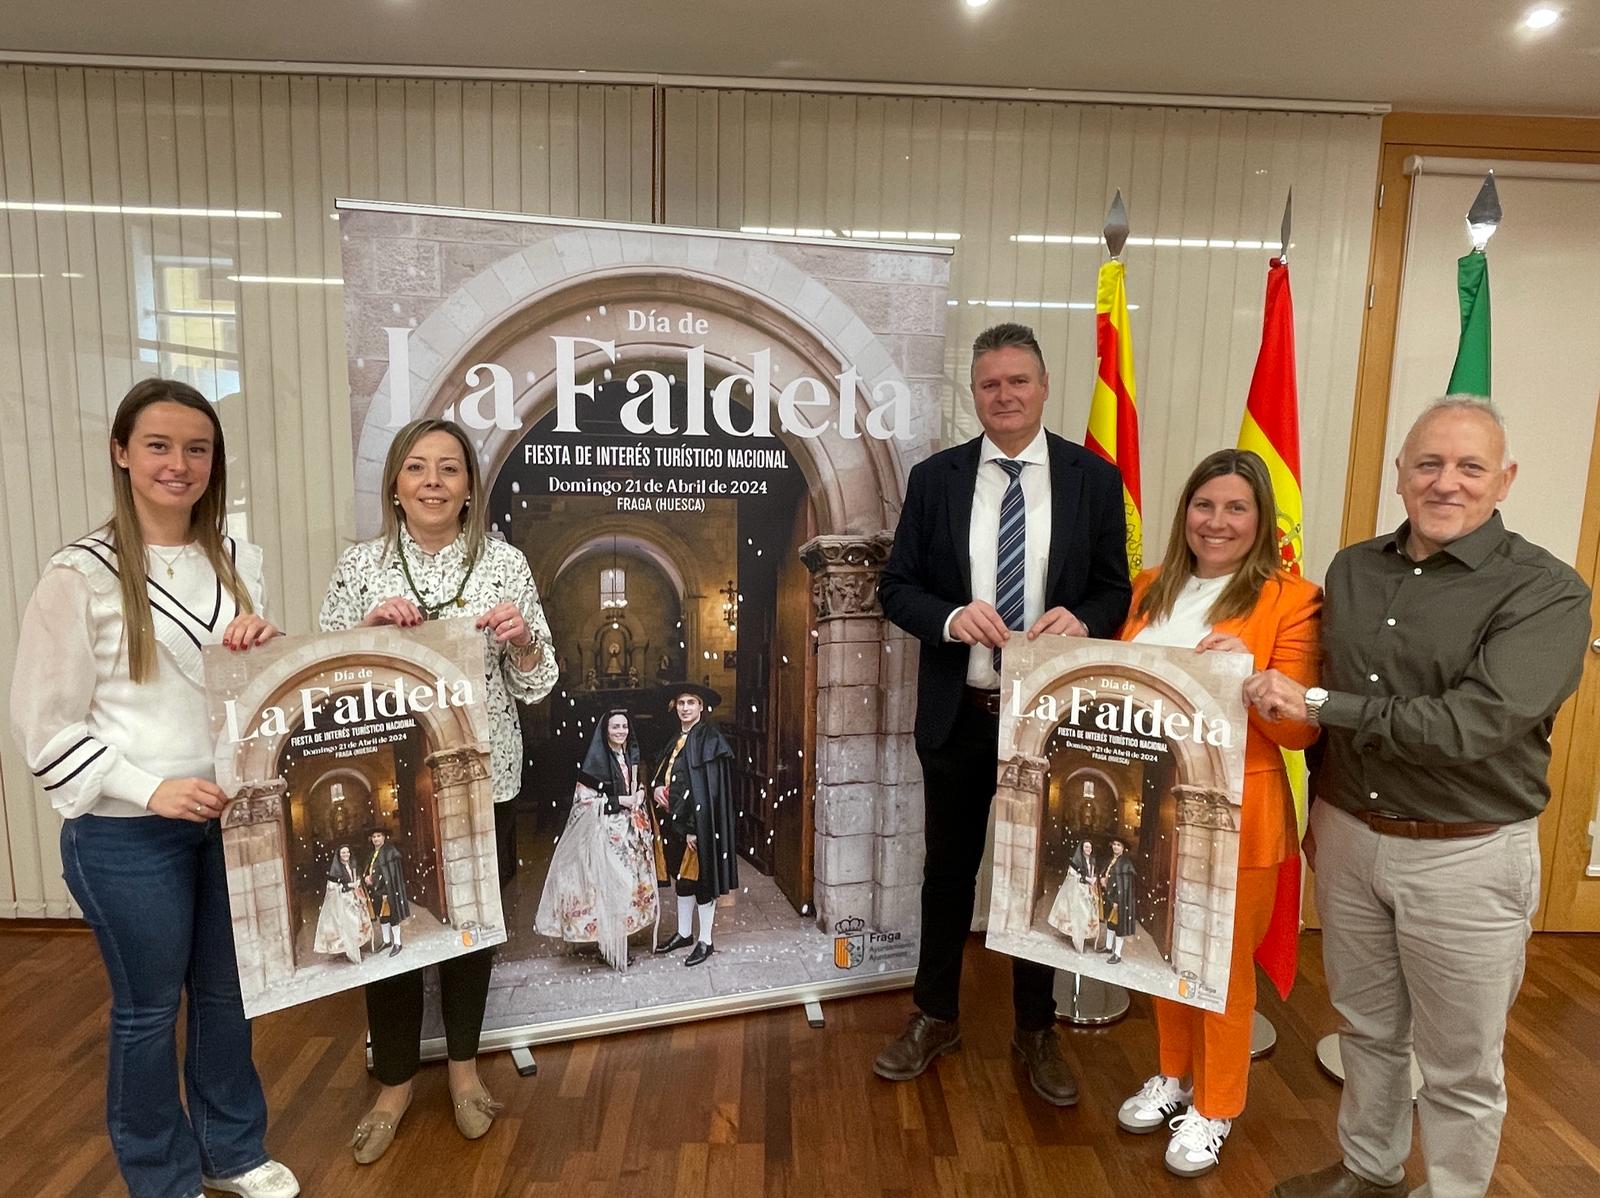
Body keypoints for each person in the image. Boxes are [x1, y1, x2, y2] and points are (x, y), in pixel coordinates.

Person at [1251, 398, 1590, 1198]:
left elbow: (1475, 724)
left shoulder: (1548, 591)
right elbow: (1320, 681)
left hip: (1465, 856)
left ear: (1504, 479)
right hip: (1347, 836)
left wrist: (1323, 708)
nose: (1447, 483)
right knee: (1367, 1030)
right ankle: (1369, 1173)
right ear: (1400, 475)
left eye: (1470, 467)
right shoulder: (1352, 569)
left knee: (1460, 1065)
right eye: (1428, 464)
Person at [10, 378, 300, 1198]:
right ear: (121, 453)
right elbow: (43, 725)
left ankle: (233, 1151)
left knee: (226, 996)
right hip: (125, 830)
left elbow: (245, 697)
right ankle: (160, 1176)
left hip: (231, 817)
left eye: (197, 448)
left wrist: (259, 649)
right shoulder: (80, 573)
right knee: (145, 1015)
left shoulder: (244, 562)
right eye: (159, 446)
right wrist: (150, 788)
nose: (179, 464)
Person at [875, 321, 1133, 1106]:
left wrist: (1083, 622)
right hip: (962, 712)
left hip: (1051, 723)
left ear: (1044, 387)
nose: (1005, 395)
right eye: (990, 384)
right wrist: (953, 619)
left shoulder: (1094, 477)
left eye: (1019, 381)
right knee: (947, 873)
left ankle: (1036, 1028)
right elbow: (897, 588)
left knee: (1039, 879)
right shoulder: (936, 480)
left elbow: (1115, 589)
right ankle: (935, 1014)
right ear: (975, 393)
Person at [319, 416, 557, 1163]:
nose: (431, 481)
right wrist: (366, 630)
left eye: (448, 469)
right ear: (395, 484)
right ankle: (394, 1082)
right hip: (390, 785)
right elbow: (323, 681)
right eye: (417, 467)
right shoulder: (360, 566)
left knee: (470, 933)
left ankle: (460, 1069)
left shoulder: (506, 563)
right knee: (391, 929)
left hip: (484, 776)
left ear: (467, 489)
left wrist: (522, 639)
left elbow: (541, 681)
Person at [1110, 447, 1320, 1179]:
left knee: (1222, 969)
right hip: (1148, 805)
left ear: (1261, 520)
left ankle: (1218, 1105)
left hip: (1242, 817)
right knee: (1164, 953)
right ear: (1185, 513)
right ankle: (1173, 1075)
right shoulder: (1147, 590)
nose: (1218, 521)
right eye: (1205, 505)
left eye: (1237, 508)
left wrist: (1252, 679)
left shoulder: (1292, 599)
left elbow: (1301, 729)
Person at [535, 708, 660, 970]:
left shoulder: (629, 757)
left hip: (628, 835)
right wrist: (618, 801)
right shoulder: (595, 764)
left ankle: (616, 945)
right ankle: (609, 947)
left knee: (626, 889)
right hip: (605, 834)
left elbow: (636, 784)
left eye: (624, 727)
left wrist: (638, 794)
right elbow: (584, 801)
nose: (620, 732)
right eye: (615, 727)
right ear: (606, 731)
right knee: (608, 889)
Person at [649, 682, 736, 966]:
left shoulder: (709, 739)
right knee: (683, 880)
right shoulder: (676, 738)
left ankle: (705, 940)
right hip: (675, 823)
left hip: (697, 827)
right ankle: (684, 933)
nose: (685, 708)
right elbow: (666, 773)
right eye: (681, 703)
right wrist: (656, 790)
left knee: (701, 882)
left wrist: (693, 829)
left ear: (701, 707)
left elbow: (707, 792)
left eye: (691, 703)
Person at [314, 844, 374, 965]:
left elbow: (356, 879)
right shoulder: (336, 870)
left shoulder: (352, 865)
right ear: (339, 855)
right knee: (350, 926)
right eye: (343, 853)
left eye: (347, 852)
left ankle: (356, 949)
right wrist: (348, 886)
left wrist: (357, 883)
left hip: (355, 899)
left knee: (358, 924)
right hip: (344, 901)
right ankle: (352, 953)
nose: (346, 855)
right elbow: (332, 888)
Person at [1046, 836, 1101, 953]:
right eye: (1086, 847)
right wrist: (1084, 878)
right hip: (1079, 892)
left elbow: (1095, 872)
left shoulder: (1092, 860)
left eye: (1090, 847)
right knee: (1078, 916)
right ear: (1082, 848)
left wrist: (1094, 879)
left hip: (1089, 892)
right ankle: (1077, 940)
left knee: (1088, 916)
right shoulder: (1076, 861)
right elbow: (1072, 875)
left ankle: (1083, 936)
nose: (1088, 849)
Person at [362, 827, 409, 958]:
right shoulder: (373, 854)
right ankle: (387, 941)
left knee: (393, 916)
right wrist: (366, 877)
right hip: (376, 890)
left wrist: (378, 882)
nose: (376, 839)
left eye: (378, 836)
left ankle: (398, 943)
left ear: (384, 837)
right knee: (383, 917)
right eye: (374, 837)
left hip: (388, 889)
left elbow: (391, 874)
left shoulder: (390, 851)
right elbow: (369, 868)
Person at [1099, 836, 1136, 964]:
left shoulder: (1125, 863)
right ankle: (1108, 947)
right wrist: (1103, 879)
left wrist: (1118, 901)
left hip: (1120, 899)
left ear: (1123, 848)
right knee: (1110, 923)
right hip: (1110, 895)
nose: (1115, 847)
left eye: (1118, 845)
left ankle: (1117, 954)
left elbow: (1124, 886)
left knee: (1119, 926)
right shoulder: (1111, 860)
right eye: (1114, 844)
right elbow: (1107, 874)